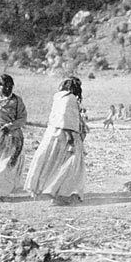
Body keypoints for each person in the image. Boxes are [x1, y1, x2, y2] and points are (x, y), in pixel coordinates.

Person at [24, 77, 86, 205]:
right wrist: (71, 135)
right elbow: (67, 118)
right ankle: (61, 194)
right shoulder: (70, 99)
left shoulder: (58, 98)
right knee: (69, 164)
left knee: (51, 162)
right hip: (66, 135)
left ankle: (51, 191)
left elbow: (60, 117)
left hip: (53, 133)